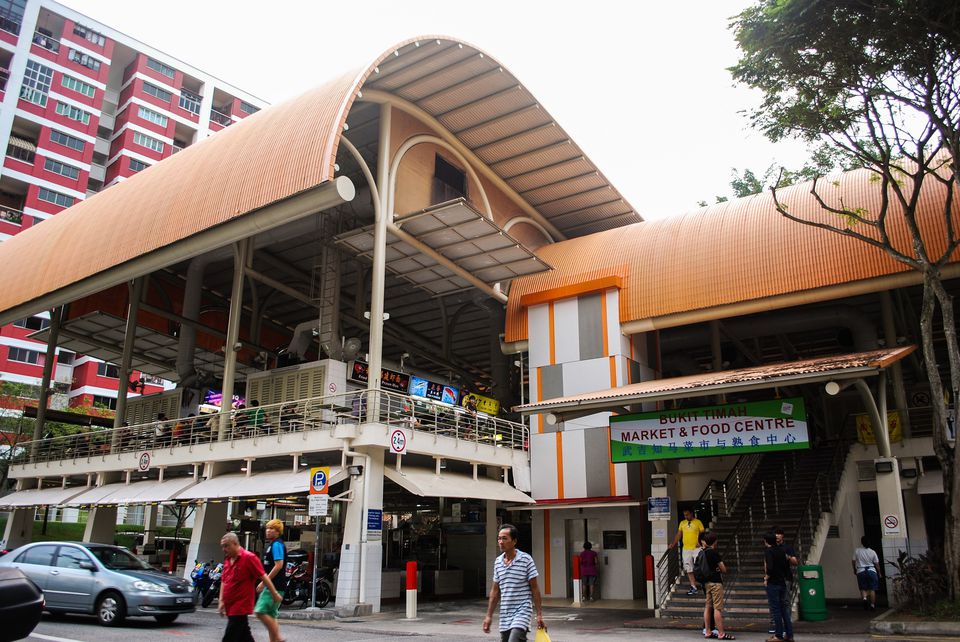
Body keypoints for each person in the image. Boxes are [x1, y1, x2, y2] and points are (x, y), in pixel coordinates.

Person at [483, 524, 546, 641]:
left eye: (505, 538)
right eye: (499, 538)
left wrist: (539, 615)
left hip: (522, 611)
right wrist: (489, 616)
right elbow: (495, 591)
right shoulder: (498, 562)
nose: (501, 542)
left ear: (514, 541)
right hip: (505, 613)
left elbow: (535, 588)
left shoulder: (526, 559)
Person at [219, 531, 281, 642]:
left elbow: (263, 576)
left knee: (229, 637)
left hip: (240, 607)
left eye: (226, 546)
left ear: (235, 543)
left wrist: (274, 593)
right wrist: (221, 600)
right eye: (223, 546)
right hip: (230, 606)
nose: (224, 549)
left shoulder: (249, 558)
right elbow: (224, 581)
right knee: (244, 637)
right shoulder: (228, 560)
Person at [255, 519, 287, 642]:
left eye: (272, 529)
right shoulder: (273, 544)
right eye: (267, 528)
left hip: (274, 586)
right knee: (271, 615)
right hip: (275, 586)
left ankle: (277, 637)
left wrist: (264, 582)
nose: (268, 531)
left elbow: (278, 565)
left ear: (278, 532)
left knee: (260, 611)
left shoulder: (277, 545)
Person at [702, 532, 735, 640]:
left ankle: (707, 631)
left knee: (708, 607)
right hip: (716, 582)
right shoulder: (714, 553)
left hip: (707, 582)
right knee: (717, 608)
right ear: (714, 541)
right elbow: (723, 568)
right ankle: (721, 633)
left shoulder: (703, 552)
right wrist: (718, 568)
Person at [763, 533, 793, 642]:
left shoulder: (768, 551)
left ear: (766, 541)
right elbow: (786, 566)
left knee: (775, 609)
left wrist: (766, 578)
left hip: (773, 583)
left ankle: (778, 635)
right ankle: (789, 634)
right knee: (784, 609)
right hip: (782, 582)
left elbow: (769, 567)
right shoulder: (782, 551)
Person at [768, 526, 798, 635]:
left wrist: (788, 557)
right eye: (775, 534)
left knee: (785, 601)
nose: (776, 536)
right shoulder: (771, 548)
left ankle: (787, 625)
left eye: (778, 533)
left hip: (785, 577)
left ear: (782, 535)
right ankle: (775, 624)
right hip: (774, 578)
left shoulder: (787, 547)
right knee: (774, 602)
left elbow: (795, 561)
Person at [668, 508, 705, 595]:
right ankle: (693, 586)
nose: (686, 516)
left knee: (699, 566)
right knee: (688, 568)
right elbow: (679, 534)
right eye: (685, 515)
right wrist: (673, 544)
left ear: (691, 513)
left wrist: (700, 542)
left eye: (687, 514)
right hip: (686, 549)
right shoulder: (682, 523)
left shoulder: (698, 522)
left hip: (696, 548)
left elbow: (703, 533)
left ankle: (703, 584)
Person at [852, 536, 880, 610]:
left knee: (863, 588)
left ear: (862, 542)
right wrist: (879, 573)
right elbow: (877, 564)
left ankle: (864, 598)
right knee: (872, 589)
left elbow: (853, 561)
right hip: (871, 570)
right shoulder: (872, 552)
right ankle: (872, 605)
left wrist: (854, 569)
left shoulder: (857, 551)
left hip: (860, 571)